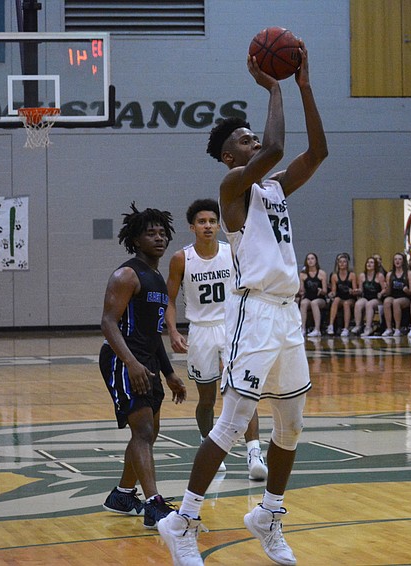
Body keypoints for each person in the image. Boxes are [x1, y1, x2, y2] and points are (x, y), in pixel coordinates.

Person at [159, 39, 327, 566]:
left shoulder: (274, 189)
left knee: (292, 424)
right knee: (232, 423)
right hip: (252, 313)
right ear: (230, 155)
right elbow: (276, 148)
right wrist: (274, 87)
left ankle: (268, 515)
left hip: (288, 315)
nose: (254, 139)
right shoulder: (233, 187)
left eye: (253, 133)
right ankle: (181, 520)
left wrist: (304, 88)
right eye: (243, 137)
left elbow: (318, 152)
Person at [165, 199, 268, 480]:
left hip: (232, 327)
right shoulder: (181, 259)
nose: (208, 226)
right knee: (207, 399)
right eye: (202, 222)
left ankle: (254, 452)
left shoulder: (231, 251)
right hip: (200, 330)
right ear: (192, 227)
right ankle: (206, 442)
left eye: (212, 221)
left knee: (244, 391)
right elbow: (170, 300)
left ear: (219, 225)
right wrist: (173, 331)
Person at [99, 204, 187, 529]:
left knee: (151, 433)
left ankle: (123, 494)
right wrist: (131, 363)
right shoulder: (127, 275)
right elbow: (108, 323)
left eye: (163, 232)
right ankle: (154, 505)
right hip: (123, 359)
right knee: (144, 431)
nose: (160, 237)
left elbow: (153, 334)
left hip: (147, 359)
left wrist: (170, 373)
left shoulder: (159, 279)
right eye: (151, 233)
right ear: (136, 240)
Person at [353, 256, 385, 337]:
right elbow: (361, 290)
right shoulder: (362, 275)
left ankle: (368, 327)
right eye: (368, 262)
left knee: (369, 304)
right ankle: (358, 326)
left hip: (376, 298)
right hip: (366, 297)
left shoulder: (379, 276)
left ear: (375, 265)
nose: (369, 264)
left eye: (371, 262)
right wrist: (357, 291)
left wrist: (381, 293)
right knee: (358, 303)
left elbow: (385, 289)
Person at [298, 253, 328, 337]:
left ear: (316, 260)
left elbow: (325, 291)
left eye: (312, 258)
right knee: (303, 303)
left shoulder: (321, 273)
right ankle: (303, 328)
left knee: (314, 303)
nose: (310, 261)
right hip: (308, 297)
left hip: (320, 298)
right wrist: (301, 292)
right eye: (308, 259)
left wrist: (321, 291)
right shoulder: (303, 274)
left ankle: (317, 329)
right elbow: (302, 290)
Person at [327, 253, 357, 336]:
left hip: (350, 298)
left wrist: (353, 291)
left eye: (344, 262)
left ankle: (346, 328)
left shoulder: (352, 275)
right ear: (337, 263)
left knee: (346, 303)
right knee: (336, 300)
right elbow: (334, 291)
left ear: (347, 264)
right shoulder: (334, 276)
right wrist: (331, 294)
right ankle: (331, 325)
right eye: (340, 262)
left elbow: (355, 289)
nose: (342, 263)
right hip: (340, 297)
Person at [381, 252, 410, 337]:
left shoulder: (408, 274)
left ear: (403, 261)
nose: (397, 261)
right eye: (395, 259)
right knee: (386, 301)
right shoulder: (390, 274)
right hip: (394, 295)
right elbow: (389, 292)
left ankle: (397, 329)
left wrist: (407, 290)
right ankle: (389, 328)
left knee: (396, 302)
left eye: (400, 259)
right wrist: (386, 289)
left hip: (405, 297)